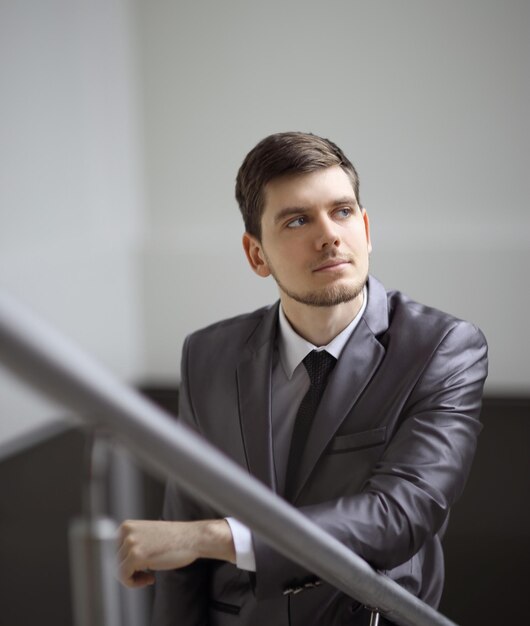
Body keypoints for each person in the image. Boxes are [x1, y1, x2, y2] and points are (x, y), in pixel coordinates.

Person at [118, 132, 488, 626]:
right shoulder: (207, 355)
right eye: (297, 219)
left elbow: (401, 515)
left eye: (342, 212)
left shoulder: (443, 347)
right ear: (257, 255)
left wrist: (216, 537)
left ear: (366, 228)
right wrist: (193, 540)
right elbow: (183, 542)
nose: (330, 234)